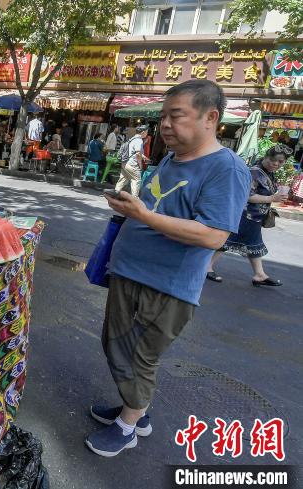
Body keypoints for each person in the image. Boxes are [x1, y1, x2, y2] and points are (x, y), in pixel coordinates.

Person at [88, 79, 250, 457]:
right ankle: (136, 412)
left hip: (165, 285)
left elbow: (213, 235)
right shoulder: (170, 158)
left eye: (175, 116)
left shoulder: (226, 169)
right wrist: (134, 209)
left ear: (210, 118)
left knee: (137, 355)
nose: (164, 124)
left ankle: (128, 426)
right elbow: (159, 209)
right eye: (163, 116)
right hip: (132, 272)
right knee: (117, 346)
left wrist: (143, 214)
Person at [207, 144, 292, 286]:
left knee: (253, 245)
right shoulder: (254, 172)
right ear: (266, 157)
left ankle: (259, 274)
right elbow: (247, 196)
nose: (276, 164)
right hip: (244, 216)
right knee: (226, 242)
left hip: (254, 217)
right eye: (273, 160)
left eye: (280, 162)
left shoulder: (268, 173)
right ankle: (206, 267)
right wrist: (272, 199)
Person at [115, 125, 149, 197]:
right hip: (132, 164)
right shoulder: (139, 140)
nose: (147, 134)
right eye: (146, 132)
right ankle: (134, 199)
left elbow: (133, 151)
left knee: (123, 178)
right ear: (143, 132)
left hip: (125, 163)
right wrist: (140, 165)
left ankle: (115, 192)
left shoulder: (132, 139)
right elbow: (137, 154)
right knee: (136, 180)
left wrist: (144, 157)